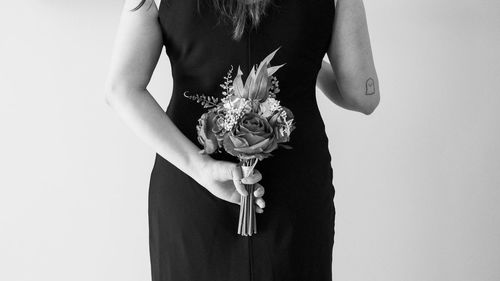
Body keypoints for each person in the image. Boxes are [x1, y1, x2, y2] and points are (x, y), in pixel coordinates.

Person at [104, 0, 379, 280]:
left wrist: (202, 169)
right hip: (293, 194)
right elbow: (363, 96)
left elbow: (122, 89)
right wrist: (303, 59)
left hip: (190, 184)